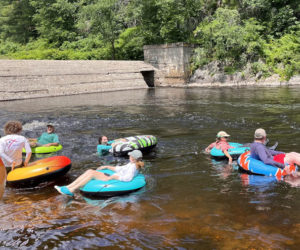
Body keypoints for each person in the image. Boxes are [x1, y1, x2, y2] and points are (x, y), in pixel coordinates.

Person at [55, 150, 144, 196]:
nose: (129, 156)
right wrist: (107, 166)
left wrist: (113, 177)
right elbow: (120, 168)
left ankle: (71, 190)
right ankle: (68, 187)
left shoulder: (133, 167)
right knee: (90, 171)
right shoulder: (132, 164)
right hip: (114, 176)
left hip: (114, 179)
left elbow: (127, 178)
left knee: (92, 173)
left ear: (134, 157)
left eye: (130, 155)